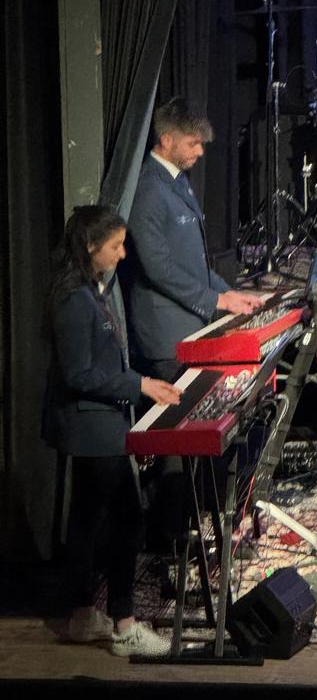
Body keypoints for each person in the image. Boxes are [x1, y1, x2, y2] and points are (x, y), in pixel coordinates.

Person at [43, 205, 180, 656]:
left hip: (100, 422)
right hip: (91, 426)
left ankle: (83, 615)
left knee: (86, 519)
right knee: (127, 522)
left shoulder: (88, 291)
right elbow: (79, 374)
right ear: (90, 246)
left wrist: (138, 385)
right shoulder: (72, 298)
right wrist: (139, 385)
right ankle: (124, 626)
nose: (123, 254)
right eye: (116, 246)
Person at [126, 96, 263, 382]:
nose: (200, 152)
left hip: (190, 327)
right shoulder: (149, 189)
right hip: (166, 338)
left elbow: (192, 263)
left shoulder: (178, 181)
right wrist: (215, 300)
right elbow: (158, 268)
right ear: (166, 140)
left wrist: (228, 293)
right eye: (193, 144)